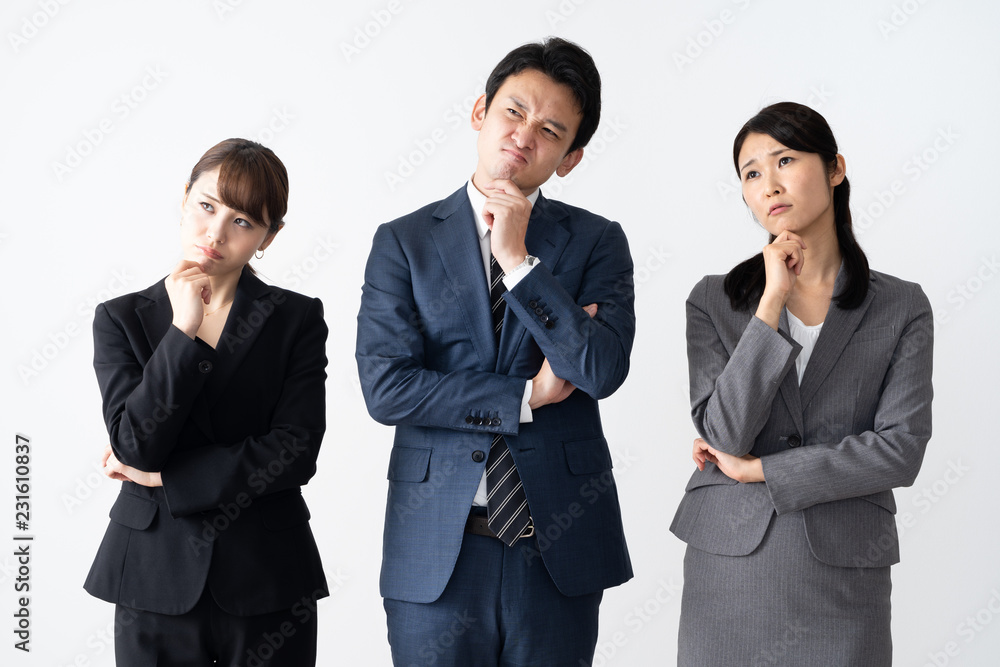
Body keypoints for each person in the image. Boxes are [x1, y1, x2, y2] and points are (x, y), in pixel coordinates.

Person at [356, 37, 635, 666]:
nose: (524, 135)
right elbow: (387, 387)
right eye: (514, 111)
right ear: (481, 110)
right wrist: (526, 395)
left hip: (557, 545)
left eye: (551, 129)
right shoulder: (403, 242)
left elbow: (599, 367)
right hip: (437, 549)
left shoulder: (596, 242)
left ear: (571, 157)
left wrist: (519, 263)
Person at [670, 102, 933, 665]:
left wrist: (764, 470)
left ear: (835, 168)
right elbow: (725, 431)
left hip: (843, 570)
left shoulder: (902, 305)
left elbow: (900, 451)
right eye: (751, 172)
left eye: (785, 159)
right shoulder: (713, 300)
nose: (769, 183)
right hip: (731, 568)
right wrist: (770, 303)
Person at [85, 138, 329, 666]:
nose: (216, 233)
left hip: (268, 576)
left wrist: (173, 481)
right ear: (184, 200)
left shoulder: (296, 320)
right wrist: (182, 331)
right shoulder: (120, 318)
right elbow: (136, 447)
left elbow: (296, 449)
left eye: (243, 221)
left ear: (269, 235)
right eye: (207, 206)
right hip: (152, 576)